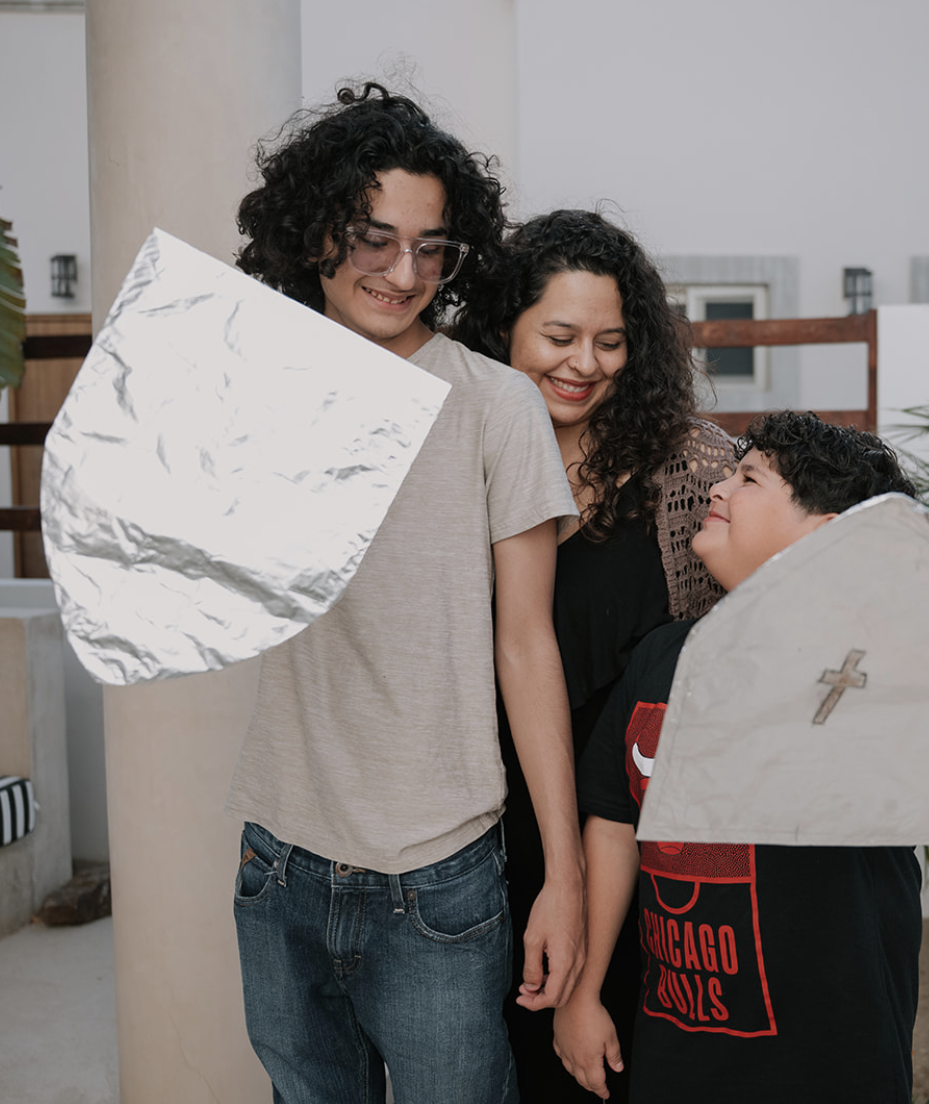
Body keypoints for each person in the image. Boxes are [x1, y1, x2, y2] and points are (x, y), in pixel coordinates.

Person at [224, 83, 585, 1104]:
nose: (404, 271)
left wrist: (562, 877)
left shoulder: (494, 406)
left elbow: (527, 646)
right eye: (373, 238)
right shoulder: (258, 387)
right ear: (313, 232)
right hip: (278, 858)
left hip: (438, 877)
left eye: (432, 247)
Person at [556, 411, 923, 1103]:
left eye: (749, 479)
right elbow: (611, 823)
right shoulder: (660, 657)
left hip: (828, 1061)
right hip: (675, 1046)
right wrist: (584, 992)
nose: (719, 488)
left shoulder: (862, 672)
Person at [457, 210, 735, 1102]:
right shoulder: (457, 459)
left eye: (611, 342)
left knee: (621, 1071)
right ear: (504, 328)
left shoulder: (692, 470)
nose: (585, 364)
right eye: (560, 336)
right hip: (483, 834)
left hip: (638, 845)